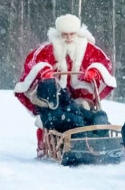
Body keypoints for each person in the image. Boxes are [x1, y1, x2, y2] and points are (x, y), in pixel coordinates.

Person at [14, 14, 117, 157]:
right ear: (58, 34)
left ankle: (94, 137)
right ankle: (47, 144)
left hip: (80, 99)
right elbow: (33, 66)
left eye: (72, 34)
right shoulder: (47, 51)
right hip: (55, 98)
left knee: (87, 113)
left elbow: (104, 64)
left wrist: (94, 72)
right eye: (64, 35)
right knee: (59, 117)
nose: (68, 38)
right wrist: (44, 72)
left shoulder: (88, 49)